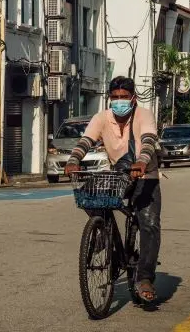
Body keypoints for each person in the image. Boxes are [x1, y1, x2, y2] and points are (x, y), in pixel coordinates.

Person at [64, 76, 162, 303]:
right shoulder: (102, 118)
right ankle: (104, 234)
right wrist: (73, 160)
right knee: (91, 196)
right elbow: (85, 141)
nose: (119, 101)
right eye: (115, 97)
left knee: (149, 223)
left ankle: (145, 277)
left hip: (145, 174)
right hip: (119, 174)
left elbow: (148, 141)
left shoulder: (143, 115)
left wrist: (143, 162)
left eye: (124, 97)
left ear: (133, 98)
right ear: (110, 99)